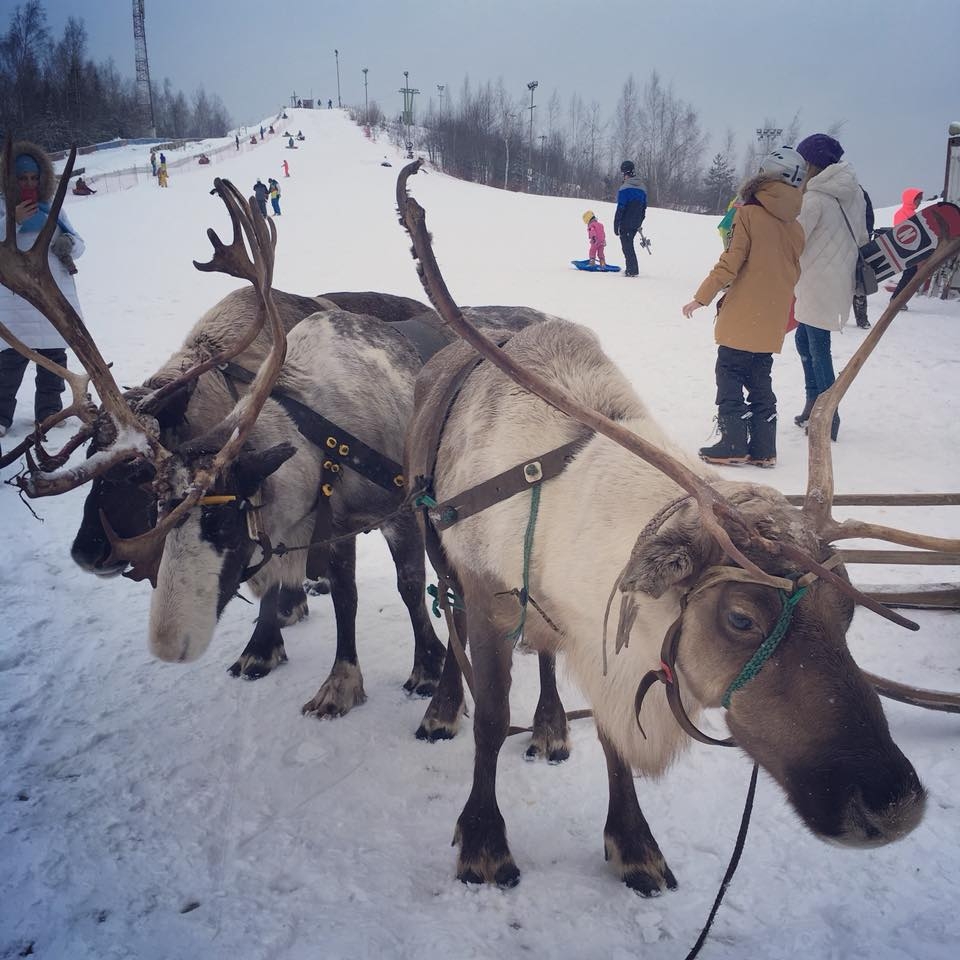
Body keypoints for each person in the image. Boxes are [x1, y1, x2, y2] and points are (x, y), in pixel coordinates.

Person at [681, 148, 806, 467]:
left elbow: (731, 261)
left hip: (743, 317)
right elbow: (794, 272)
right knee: (760, 378)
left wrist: (702, 296)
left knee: (730, 373)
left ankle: (733, 442)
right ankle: (764, 448)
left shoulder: (748, 214)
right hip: (772, 318)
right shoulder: (796, 227)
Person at [0, 142, 86, 437]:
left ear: (42, 179)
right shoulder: (2, 209)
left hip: (52, 292)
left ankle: (49, 410)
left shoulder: (54, 209)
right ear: (12, 180)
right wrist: (13, 220)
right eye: (22, 179)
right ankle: (1, 414)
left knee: (52, 356)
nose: (29, 184)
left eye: (34, 178)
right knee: (11, 359)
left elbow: (80, 243)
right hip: (17, 297)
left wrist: (69, 244)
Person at [792, 133, 867, 441]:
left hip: (815, 280)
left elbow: (797, 239)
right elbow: (863, 234)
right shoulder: (855, 193)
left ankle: (827, 416)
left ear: (812, 164)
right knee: (803, 339)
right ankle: (814, 403)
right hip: (836, 279)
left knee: (818, 347)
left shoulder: (814, 197)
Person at [887, 188, 924, 308]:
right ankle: (896, 299)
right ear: (910, 199)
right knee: (909, 273)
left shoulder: (913, 214)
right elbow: (902, 234)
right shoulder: (901, 214)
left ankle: (898, 299)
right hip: (907, 250)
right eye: (917, 199)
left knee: (910, 274)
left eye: (920, 199)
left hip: (914, 250)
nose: (919, 202)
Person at [614, 160, 647, 278]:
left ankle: (632, 270)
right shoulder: (642, 188)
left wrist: (616, 223)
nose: (623, 176)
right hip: (635, 223)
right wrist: (639, 221)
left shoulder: (625, 188)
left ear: (626, 173)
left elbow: (621, 208)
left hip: (625, 223)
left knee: (627, 247)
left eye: (623, 173)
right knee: (629, 245)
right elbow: (644, 208)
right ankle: (631, 269)